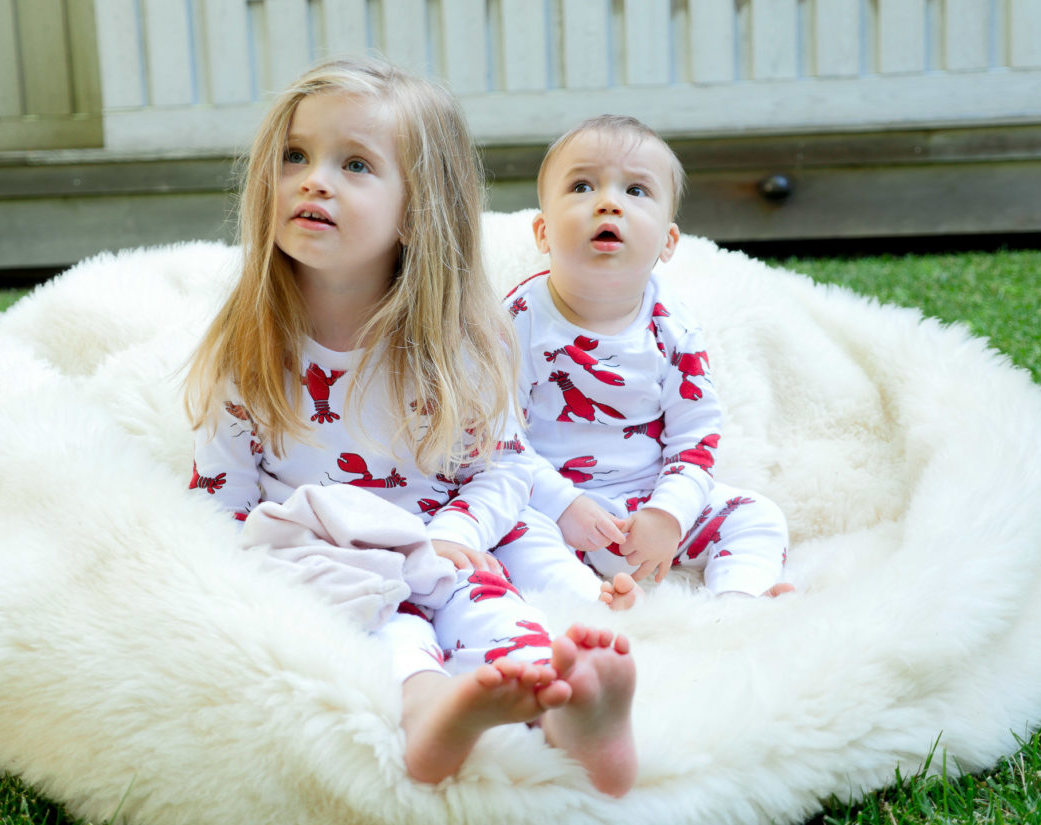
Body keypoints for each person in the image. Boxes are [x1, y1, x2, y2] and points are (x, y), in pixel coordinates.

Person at [183, 57, 636, 796]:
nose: (313, 179)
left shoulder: (462, 339)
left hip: (441, 538)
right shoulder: (250, 341)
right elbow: (218, 496)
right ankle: (433, 714)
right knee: (381, 627)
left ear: (419, 206)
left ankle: (573, 710)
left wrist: (458, 531)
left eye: (355, 164)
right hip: (330, 552)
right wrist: (242, 581)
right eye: (294, 156)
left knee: (495, 612)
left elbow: (505, 466)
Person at [505, 115, 794, 610]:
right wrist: (564, 504)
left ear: (667, 242)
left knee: (759, 515)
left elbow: (696, 433)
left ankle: (739, 598)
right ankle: (592, 598)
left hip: (649, 498)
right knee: (506, 531)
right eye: (581, 185)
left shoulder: (671, 324)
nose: (608, 201)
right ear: (543, 231)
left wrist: (670, 514)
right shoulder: (518, 320)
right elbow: (497, 435)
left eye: (636, 191)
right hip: (556, 506)